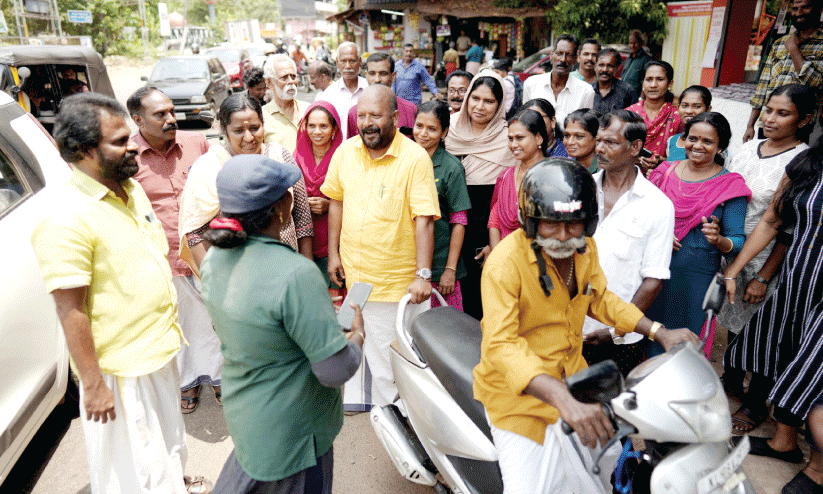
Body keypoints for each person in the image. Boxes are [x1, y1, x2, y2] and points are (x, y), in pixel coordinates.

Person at [474, 158, 699, 494]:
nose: (564, 236)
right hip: (517, 397)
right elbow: (501, 345)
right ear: (531, 221)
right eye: (551, 224)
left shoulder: (584, 248)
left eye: (574, 224)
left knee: (610, 471)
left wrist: (658, 331)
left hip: (574, 380)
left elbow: (600, 299)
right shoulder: (504, 264)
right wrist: (561, 398)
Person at [30, 92, 211, 494]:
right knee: (136, 473)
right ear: (83, 151)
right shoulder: (66, 215)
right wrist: (93, 384)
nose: (133, 146)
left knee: (167, 448)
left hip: (160, 352)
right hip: (122, 372)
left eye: (130, 136)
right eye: (119, 141)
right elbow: (70, 309)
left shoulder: (129, 189)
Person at [200, 155, 365, 494]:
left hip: (248, 414)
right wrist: (356, 336)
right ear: (284, 206)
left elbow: (259, 326)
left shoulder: (214, 259)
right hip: (294, 433)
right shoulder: (295, 273)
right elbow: (334, 370)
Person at [321, 84, 440, 412]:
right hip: (357, 278)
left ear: (395, 116)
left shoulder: (414, 158)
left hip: (395, 284)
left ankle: (407, 429)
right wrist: (333, 254)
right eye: (362, 115)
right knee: (369, 349)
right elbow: (336, 203)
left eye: (376, 115)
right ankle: (393, 419)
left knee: (396, 364)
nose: (368, 122)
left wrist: (423, 274)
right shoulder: (346, 152)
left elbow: (425, 220)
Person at [724, 142, 823, 481]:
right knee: (783, 352)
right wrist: (735, 270)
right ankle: (784, 441)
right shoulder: (806, 163)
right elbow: (771, 219)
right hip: (798, 281)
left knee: (813, 367)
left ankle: (816, 467)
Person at [717, 84, 813, 433]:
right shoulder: (745, 149)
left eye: (783, 113)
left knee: (764, 330)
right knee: (732, 318)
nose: (771, 119)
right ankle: (730, 380)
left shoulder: (801, 161)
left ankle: (756, 402)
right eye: (769, 110)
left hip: (769, 260)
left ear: (804, 119)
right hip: (732, 249)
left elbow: (784, 223)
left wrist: (764, 276)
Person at [127, 87, 222, 414]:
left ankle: (223, 378)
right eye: (160, 115)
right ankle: (190, 381)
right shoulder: (127, 155)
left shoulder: (197, 144)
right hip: (163, 258)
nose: (171, 119)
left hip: (208, 251)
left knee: (217, 317)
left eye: (171, 111)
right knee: (181, 323)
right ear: (138, 120)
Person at [646, 112, 751, 357]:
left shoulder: (730, 185)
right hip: (654, 268)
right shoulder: (665, 172)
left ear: (721, 146)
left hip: (696, 277)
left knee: (686, 341)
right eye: (692, 138)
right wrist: (658, 235)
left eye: (707, 141)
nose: (697, 146)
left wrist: (719, 240)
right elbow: (640, 217)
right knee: (647, 331)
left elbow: (737, 241)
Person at [582, 110, 675, 375]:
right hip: (567, 327)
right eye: (598, 140)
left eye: (610, 142)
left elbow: (653, 280)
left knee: (605, 410)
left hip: (617, 339)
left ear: (635, 147)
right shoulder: (582, 189)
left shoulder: (658, 205)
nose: (599, 148)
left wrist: (615, 331)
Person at [179, 93, 313, 275]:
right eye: (238, 131)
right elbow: (195, 233)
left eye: (255, 128)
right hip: (236, 274)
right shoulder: (208, 167)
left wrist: (306, 270)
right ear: (224, 131)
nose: (249, 137)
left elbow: (302, 219)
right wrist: (217, 283)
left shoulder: (280, 157)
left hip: (287, 266)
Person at [445, 71, 515, 319]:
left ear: (500, 105)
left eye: (489, 101)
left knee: (481, 302)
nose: (480, 106)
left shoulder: (509, 138)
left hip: (486, 232)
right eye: (475, 98)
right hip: (448, 228)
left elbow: (508, 200)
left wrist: (493, 243)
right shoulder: (448, 129)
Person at [413, 100, 472, 310]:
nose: (423, 134)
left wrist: (450, 269)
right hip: (406, 263)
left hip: (439, 265)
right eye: (419, 126)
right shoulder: (404, 159)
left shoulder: (451, 167)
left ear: (444, 132)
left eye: (432, 129)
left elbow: (459, 220)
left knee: (443, 332)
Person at [744, 0, 823, 142]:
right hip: (768, 123)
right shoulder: (780, 43)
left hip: (799, 126)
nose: (798, 13)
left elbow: (816, 83)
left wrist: (794, 50)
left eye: (805, 7)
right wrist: (750, 125)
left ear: (819, 9)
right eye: (795, 8)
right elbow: (763, 86)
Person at [293, 101, 345, 297]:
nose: (317, 132)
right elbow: (288, 195)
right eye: (312, 125)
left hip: (337, 239)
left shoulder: (344, 156)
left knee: (336, 295)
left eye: (323, 126)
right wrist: (303, 202)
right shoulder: (297, 156)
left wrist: (330, 204)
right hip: (304, 238)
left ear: (334, 128)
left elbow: (358, 198)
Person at [487, 109, 548, 250]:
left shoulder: (551, 176)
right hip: (505, 257)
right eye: (510, 139)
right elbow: (494, 220)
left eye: (520, 138)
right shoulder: (506, 176)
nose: (513, 145)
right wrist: (498, 256)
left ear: (538, 138)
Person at [523, 34, 595, 128]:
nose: (563, 59)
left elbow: (585, 128)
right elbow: (525, 122)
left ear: (575, 59)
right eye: (559, 53)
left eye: (568, 55)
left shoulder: (586, 91)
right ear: (551, 56)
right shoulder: (531, 84)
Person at [626, 61, 683, 171]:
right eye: (649, 79)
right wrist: (637, 159)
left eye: (660, 79)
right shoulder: (629, 114)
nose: (653, 85)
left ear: (670, 83)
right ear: (642, 83)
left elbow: (682, 156)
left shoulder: (677, 117)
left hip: (664, 178)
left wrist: (662, 162)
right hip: (629, 175)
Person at [347, 52, 417, 138]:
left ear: (393, 76)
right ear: (366, 76)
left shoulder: (410, 110)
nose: (377, 79)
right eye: (372, 73)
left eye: (383, 73)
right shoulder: (354, 113)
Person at [317, 42, 368, 139]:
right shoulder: (328, 95)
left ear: (360, 62)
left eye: (352, 61)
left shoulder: (370, 89)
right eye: (343, 61)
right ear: (337, 62)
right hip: (340, 151)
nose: (348, 66)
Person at [261, 54, 309, 153]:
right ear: (269, 82)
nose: (291, 82)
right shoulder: (261, 116)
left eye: (293, 76)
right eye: (284, 77)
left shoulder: (309, 109)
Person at [666, 85, 712, 162]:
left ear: (708, 109)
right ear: (678, 107)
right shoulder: (672, 141)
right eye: (685, 106)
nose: (689, 111)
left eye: (697, 106)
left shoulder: (713, 144)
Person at [592, 47, 636, 114]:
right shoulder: (588, 90)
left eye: (610, 66)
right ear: (595, 66)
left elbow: (633, 119)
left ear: (617, 68)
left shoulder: (627, 91)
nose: (605, 70)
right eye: (601, 65)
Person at [564, 108, 600, 173]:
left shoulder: (606, 171)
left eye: (579, 136)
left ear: (597, 139)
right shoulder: (565, 168)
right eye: (567, 135)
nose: (570, 142)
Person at [621, 30, 652, 100]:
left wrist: (641, 98)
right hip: (623, 95)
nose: (632, 45)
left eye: (635, 43)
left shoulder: (646, 59)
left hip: (635, 98)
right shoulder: (629, 59)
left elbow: (646, 81)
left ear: (641, 43)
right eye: (630, 43)